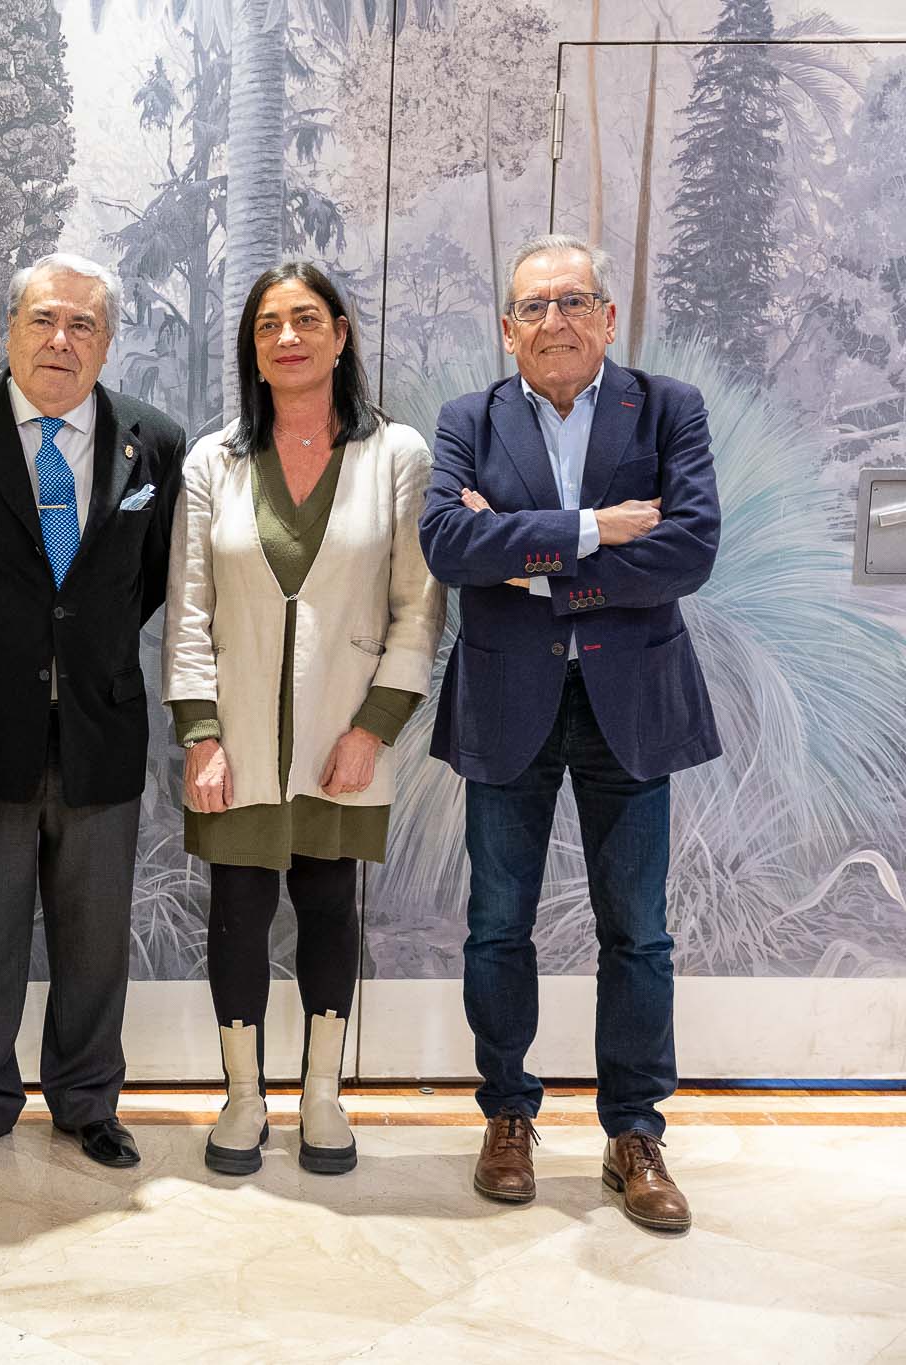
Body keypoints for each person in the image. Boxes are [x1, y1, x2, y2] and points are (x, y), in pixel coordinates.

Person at [420, 232, 720, 1233]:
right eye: (532, 307)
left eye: (570, 302)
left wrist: (533, 564)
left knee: (634, 931)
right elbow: (445, 542)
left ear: (604, 317)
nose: (552, 321)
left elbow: (686, 549)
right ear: (506, 330)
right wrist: (598, 530)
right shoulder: (467, 419)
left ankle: (633, 1134)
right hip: (506, 702)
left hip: (627, 707)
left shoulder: (666, 408)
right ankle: (506, 1115)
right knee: (496, 925)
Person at [0, 252, 186, 1172]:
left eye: (85, 326)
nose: (62, 341)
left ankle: (88, 1100)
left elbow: (144, 582)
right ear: (10, 329)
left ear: (108, 341)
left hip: (101, 728)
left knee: (95, 932)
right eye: (45, 321)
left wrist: (79, 654)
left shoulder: (155, 440)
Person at [164, 262, 444, 1177]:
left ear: (341, 333)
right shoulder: (214, 461)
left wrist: (374, 728)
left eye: (305, 320)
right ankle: (244, 1097)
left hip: (343, 735)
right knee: (238, 912)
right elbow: (189, 607)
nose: (287, 338)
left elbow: (419, 606)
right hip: (238, 740)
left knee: (329, 904)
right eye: (268, 326)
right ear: (252, 348)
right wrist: (201, 734)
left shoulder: (394, 455)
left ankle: (322, 1095)